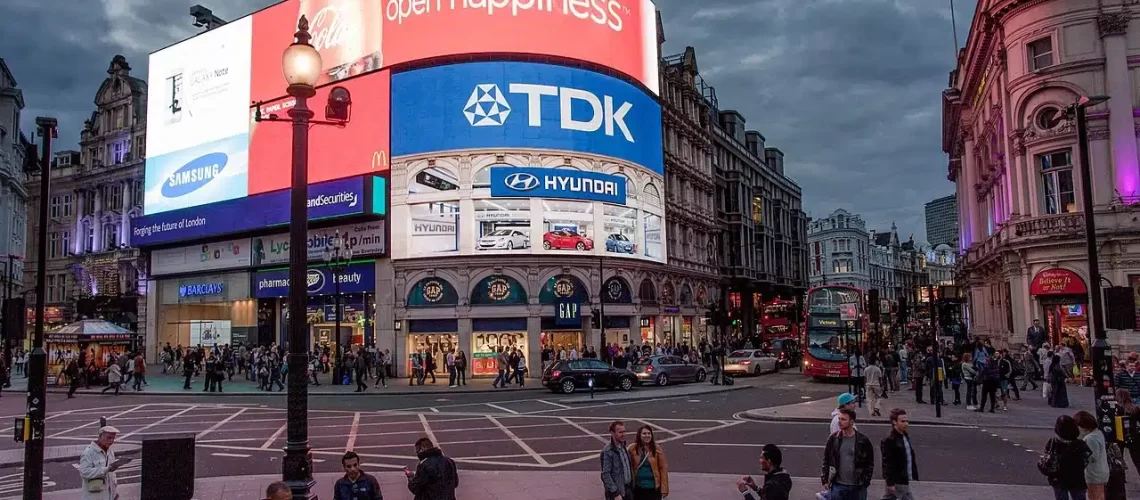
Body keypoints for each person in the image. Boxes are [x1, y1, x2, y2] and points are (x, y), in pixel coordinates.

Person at [821, 408, 874, 500]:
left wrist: (866, 481)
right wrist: (825, 479)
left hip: (858, 486)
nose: (840, 422)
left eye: (843, 419)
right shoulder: (833, 438)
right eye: (839, 419)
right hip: (838, 485)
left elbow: (869, 463)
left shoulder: (862, 440)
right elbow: (826, 459)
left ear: (852, 422)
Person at [1040, 415, 1092, 500]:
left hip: (1058, 478)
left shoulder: (1053, 443)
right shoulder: (1080, 444)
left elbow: (1047, 458)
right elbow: (1086, 459)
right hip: (1077, 478)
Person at [78, 426, 131, 500]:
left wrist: (114, 493)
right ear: (100, 436)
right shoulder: (88, 453)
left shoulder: (110, 451)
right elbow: (85, 473)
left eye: (113, 438)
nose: (111, 441)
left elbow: (112, 475)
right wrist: (106, 469)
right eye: (109, 438)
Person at [881, 409, 918, 500]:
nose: (906, 424)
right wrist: (890, 483)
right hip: (898, 480)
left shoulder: (904, 436)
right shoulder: (890, 440)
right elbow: (887, 463)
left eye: (907, 421)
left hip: (903, 478)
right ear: (894, 422)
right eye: (902, 421)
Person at [1075, 411, 1109, 500]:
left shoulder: (1090, 438)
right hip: (1101, 472)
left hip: (1094, 474)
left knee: (1094, 496)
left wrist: (1080, 453)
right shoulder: (1098, 433)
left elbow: (1093, 457)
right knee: (1099, 495)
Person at [628, 425, 668, 500]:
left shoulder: (657, 448)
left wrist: (664, 488)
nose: (647, 435)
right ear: (639, 435)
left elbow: (663, 468)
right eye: (644, 433)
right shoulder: (632, 448)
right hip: (637, 488)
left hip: (653, 489)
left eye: (649, 433)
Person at [601, 420, 633, 500]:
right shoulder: (608, 451)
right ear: (612, 433)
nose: (623, 434)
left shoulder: (623, 447)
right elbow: (605, 474)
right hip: (617, 493)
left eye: (624, 432)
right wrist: (615, 493)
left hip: (627, 489)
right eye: (620, 432)